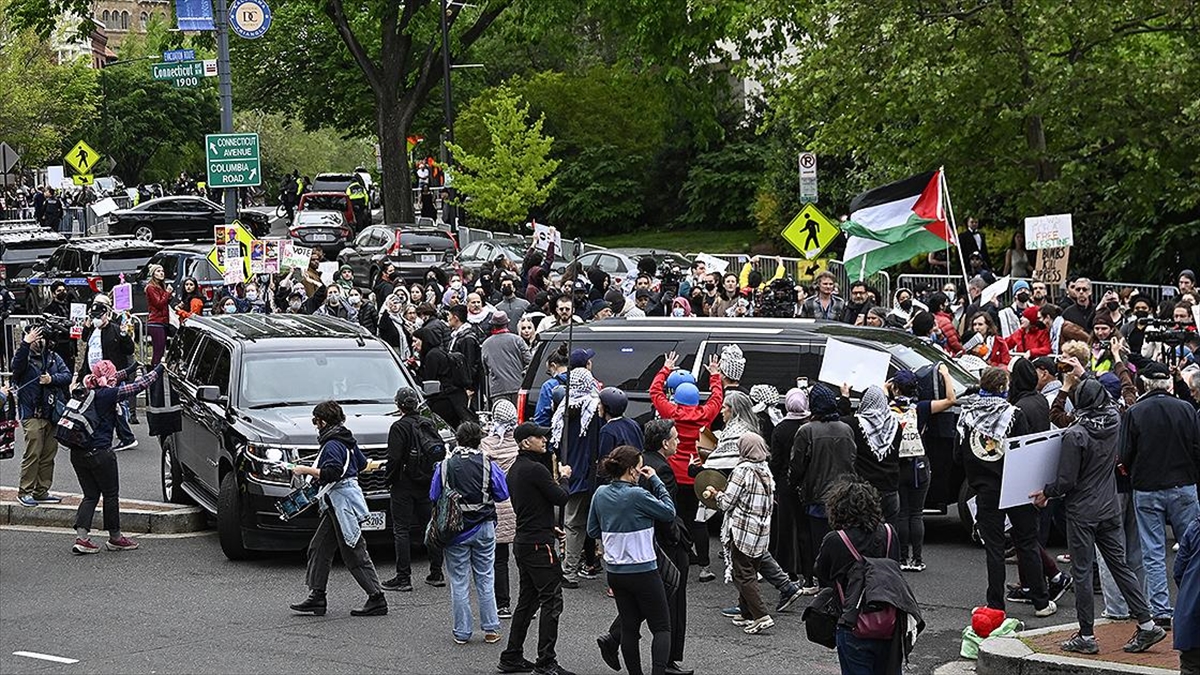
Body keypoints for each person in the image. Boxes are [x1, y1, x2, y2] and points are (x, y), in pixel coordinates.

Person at [1029, 379, 1168, 655]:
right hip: (1109, 506)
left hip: (1082, 511)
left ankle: (1086, 635)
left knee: (1081, 573)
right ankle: (1147, 623)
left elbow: (1067, 481)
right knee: (1121, 566)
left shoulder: (1076, 434)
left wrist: (1047, 492)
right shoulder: (1115, 421)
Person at [959, 367, 1057, 617]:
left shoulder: (967, 415)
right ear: (1004, 388)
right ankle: (1041, 601)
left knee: (994, 548)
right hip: (1013, 485)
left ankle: (995, 604)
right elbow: (1023, 452)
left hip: (984, 488)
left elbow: (957, 455)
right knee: (1027, 542)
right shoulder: (1014, 415)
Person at [1118, 361, 1200, 628]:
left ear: (1145, 384)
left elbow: (1124, 454)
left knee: (1152, 552)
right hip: (1183, 484)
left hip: (1147, 487)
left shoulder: (1136, 411)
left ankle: (1161, 610)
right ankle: (1193, 603)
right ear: (1168, 383)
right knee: (1193, 547)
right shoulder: (1186, 409)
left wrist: (1134, 472)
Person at [288, 401, 387, 617]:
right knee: (319, 547)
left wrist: (304, 469)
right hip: (339, 502)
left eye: (315, 421)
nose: (315, 425)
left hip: (342, 503)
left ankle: (377, 597)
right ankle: (317, 596)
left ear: (323, 421)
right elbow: (362, 464)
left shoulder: (332, 443)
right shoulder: (346, 439)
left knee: (353, 550)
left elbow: (332, 473)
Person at [815, 477, 920, 675]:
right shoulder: (889, 533)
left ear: (837, 509)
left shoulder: (835, 540)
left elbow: (822, 573)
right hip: (890, 620)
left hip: (853, 622)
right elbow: (893, 568)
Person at [587, 446, 677, 675]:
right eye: (639, 467)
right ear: (631, 470)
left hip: (616, 572)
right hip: (644, 570)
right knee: (661, 627)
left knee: (629, 626)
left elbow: (592, 530)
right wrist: (656, 480)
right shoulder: (637, 495)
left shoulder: (600, 493)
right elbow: (669, 512)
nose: (641, 471)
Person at [499, 422, 574, 675]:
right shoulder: (535, 470)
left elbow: (531, 506)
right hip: (539, 545)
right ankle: (546, 661)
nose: (544, 440)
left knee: (528, 601)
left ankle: (512, 655)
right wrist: (564, 477)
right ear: (525, 442)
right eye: (538, 437)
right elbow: (561, 497)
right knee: (552, 600)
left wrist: (548, 527)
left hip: (525, 540)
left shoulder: (515, 470)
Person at [69, 358, 164, 554]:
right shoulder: (108, 394)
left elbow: (114, 376)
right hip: (101, 453)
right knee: (110, 495)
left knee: (90, 495)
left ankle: (82, 538)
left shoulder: (85, 388)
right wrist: (159, 369)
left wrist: (131, 368)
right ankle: (115, 538)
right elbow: (138, 386)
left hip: (78, 452)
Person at [430, 421, 510, 644]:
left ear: (458, 439)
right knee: (485, 577)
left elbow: (434, 495)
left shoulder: (445, 465)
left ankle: (462, 632)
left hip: (455, 529)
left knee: (458, 581)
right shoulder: (488, 463)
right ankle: (491, 629)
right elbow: (502, 494)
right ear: (479, 440)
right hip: (484, 526)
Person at [651, 351, 724, 583]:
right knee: (698, 521)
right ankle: (704, 567)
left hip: (673, 474)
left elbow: (655, 392)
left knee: (674, 516)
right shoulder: (705, 414)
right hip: (697, 475)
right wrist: (714, 375)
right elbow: (717, 397)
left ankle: (677, 557)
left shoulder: (671, 413)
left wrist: (666, 368)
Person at [702, 432, 777, 635]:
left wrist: (716, 494)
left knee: (742, 574)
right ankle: (746, 613)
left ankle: (761, 616)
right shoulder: (765, 469)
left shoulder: (742, 470)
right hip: (761, 531)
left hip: (742, 530)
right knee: (750, 570)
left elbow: (727, 503)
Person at [790, 383, 857, 583]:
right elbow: (852, 459)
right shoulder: (846, 429)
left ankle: (822, 584)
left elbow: (797, 465)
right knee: (841, 541)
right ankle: (839, 581)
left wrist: (794, 483)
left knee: (818, 543)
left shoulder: (806, 431)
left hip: (816, 495)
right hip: (844, 494)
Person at [382, 388, 445, 593]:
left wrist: (389, 480)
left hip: (404, 484)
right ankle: (436, 572)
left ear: (398, 405)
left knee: (401, 529)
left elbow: (394, 458)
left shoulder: (399, 427)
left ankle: (403, 577)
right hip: (426, 482)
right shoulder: (428, 423)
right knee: (430, 526)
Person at [551, 366, 603, 589]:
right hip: (590, 473)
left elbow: (555, 443)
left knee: (572, 524)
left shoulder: (563, 410)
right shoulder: (593, 410)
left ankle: (569, 571)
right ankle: (590, 564)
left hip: (570, 473)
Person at [12, 326, 71, 507]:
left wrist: (51, 379)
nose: (38, 340)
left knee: (48, 455)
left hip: (51, 413)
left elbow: (67, 375)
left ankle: (41, 490)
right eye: (34, 337)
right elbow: (16, 368)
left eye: (41, 337)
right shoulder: (24, 358)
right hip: (32, 414)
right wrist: (25, 343)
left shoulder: (53, 357)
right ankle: (25, 491)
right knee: (33, 454)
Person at [770, 387, 817, 591]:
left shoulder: (780, 428)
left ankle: (788, 573)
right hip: (807, 482)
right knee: (805, 529)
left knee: (786, 528)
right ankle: (809, 575)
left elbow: (776, 460)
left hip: (785, 483)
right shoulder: (810, 426)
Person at [77, 303, 138, 451]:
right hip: (94, 376)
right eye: (93, 316)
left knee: (113, 406)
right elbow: (87, 349)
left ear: (106, 315)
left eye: (98, 316)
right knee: (103, 407)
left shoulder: (115, 330)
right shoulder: (93, 330)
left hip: (110, 377)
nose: (96, 319)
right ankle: (107, 435)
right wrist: (81, 376)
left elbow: (129, 349)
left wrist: (124, 335)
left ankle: (126, 437)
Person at [839, 385, 901, 528]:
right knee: (889, 532)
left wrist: (845, 397)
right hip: (890, 487)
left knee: (865, 530)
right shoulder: (895, 426)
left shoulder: (855, 424)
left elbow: (838, 419)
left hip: (865, 490)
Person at [481, 400, 521, 619]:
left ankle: (503, 604)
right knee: (523, 559)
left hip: (497, 505)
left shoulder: (487, 445)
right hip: (519, 504)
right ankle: (526, 602)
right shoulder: (519, 443)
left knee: (499, 559)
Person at [414, 320, 473, 428]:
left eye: (415, 341)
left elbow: (429, 382)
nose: (413, 345)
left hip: (445, 401)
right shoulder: (438, 352)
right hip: (453, 398)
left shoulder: (432, 355)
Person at [482, 311, 531, 406]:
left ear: (493, 325)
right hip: (517, 387)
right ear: (507, 324)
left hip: (498, 390)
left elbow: (485, 370)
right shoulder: (517, 340)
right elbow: (530, 361)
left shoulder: (486, 344)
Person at [1176, 514, 1200, 674]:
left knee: (1190, 666)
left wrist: (1189, 592)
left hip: (1192, 617)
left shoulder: (1195, 528)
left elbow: (1179, 571)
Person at [144, 264, 171, 365]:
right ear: (153, 274)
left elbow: (164, 302)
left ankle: (155, 369)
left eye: (162, 271)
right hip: (156, 321)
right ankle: (154, 370)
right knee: (158, 351)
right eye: (158, 271)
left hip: (163, 321)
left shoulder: (161, 286)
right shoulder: (151, 288)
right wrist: (167, 293)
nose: (161, 273)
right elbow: (158, 303)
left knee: (161, 349)